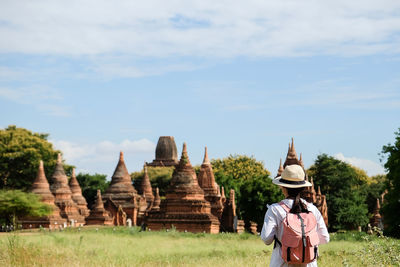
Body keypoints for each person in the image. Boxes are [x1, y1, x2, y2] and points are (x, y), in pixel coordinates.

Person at [261, 164, 329, 267]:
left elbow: (266, 239)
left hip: (282, 263)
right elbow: (325, 238)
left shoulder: (275, 210)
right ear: (302, 188)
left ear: (283, 187)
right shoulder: (312, 209)